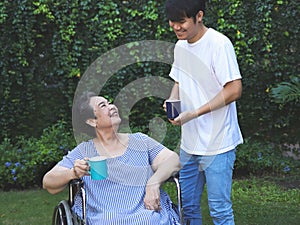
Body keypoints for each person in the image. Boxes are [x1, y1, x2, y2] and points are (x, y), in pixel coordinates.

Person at [43, 91, 181, 225]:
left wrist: (154, 183)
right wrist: (72, 173)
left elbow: (173, 160)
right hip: (106, 216)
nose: (112, 106)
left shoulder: (140, 141)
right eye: (103, 105)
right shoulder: (84, 151)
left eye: (109, 103)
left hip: (146, 211)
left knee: (149, 220)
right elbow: (48, 183)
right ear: (92, 121)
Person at [164, 0, 243, 225]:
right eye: (172, 22)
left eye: (181, 21)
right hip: (189, 144)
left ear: (199, 16)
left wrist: (195, 113)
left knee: (219, 210)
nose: (176, 27)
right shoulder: (181, 46)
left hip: (218, 143)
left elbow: (234, 88)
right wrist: (173, 99)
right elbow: (179, 79)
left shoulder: (219, 44)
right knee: (187, 208)